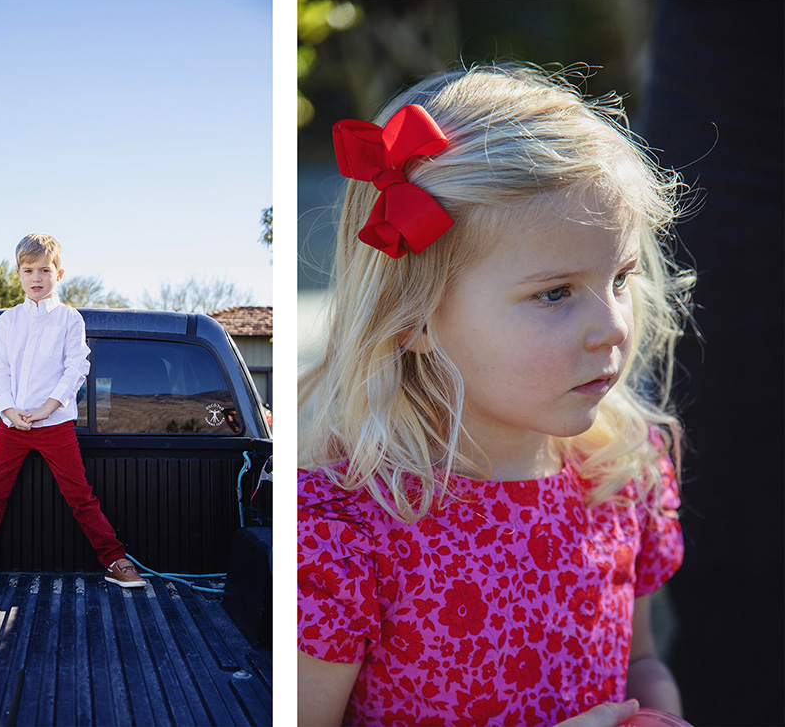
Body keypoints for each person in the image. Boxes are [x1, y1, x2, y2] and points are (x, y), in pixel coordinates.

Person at [297, 64, 695, 726]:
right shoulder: (345, 536)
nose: (614, 325)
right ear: (414, 317)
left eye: (619, 277)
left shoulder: (619, 470)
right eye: (554, 293)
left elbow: (642, 662)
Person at [0, 233, 145, 588]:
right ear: (19, 274)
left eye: (45, 269)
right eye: (28, 270)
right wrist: (9, 410)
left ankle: (115, 560)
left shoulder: (70, 320)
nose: (36, 278)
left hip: (55, 424)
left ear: (59, 274)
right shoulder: (8, 321)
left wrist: (48, 408)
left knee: (81, 496)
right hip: (11, 425)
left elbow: (77, 367)